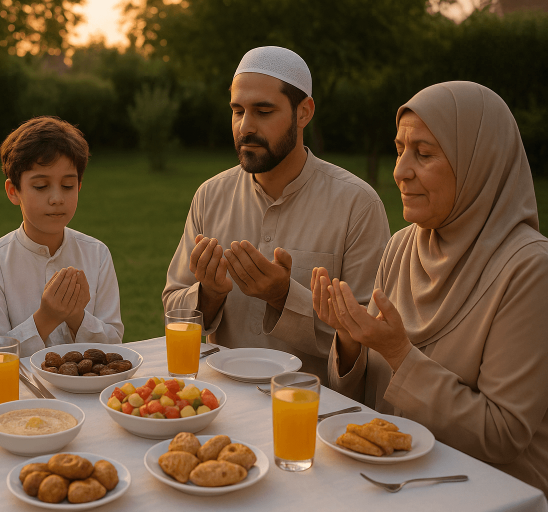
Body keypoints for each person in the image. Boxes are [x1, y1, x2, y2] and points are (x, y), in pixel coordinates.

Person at [315, 81, 548, 494]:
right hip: (394, 480)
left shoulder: (529, 269)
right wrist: (351, 342)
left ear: (478, 163)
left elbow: (502, 435)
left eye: (423, 154)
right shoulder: (402, 246)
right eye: (400, 149)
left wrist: (398, 354)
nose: (400, 171)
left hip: (486, 492)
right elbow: (370, 407)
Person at [163, 46, 390, 385]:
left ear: (304, 112)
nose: (245, 127)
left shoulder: (357, 205)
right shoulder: (211, 196)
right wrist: (209, 294)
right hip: (220, 401)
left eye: (263, 111)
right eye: (237, 111)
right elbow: (173, 312)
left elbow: (371, 341)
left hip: (312, 407)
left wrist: (284, 297)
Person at [0, 116, 123, 357]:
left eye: (68, 186)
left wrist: (77, 317)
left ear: (79, 186)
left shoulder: (97, 254)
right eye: (41, 186)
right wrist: (46, 318)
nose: (57, 198)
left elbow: (115, 346)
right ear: (13, 191)